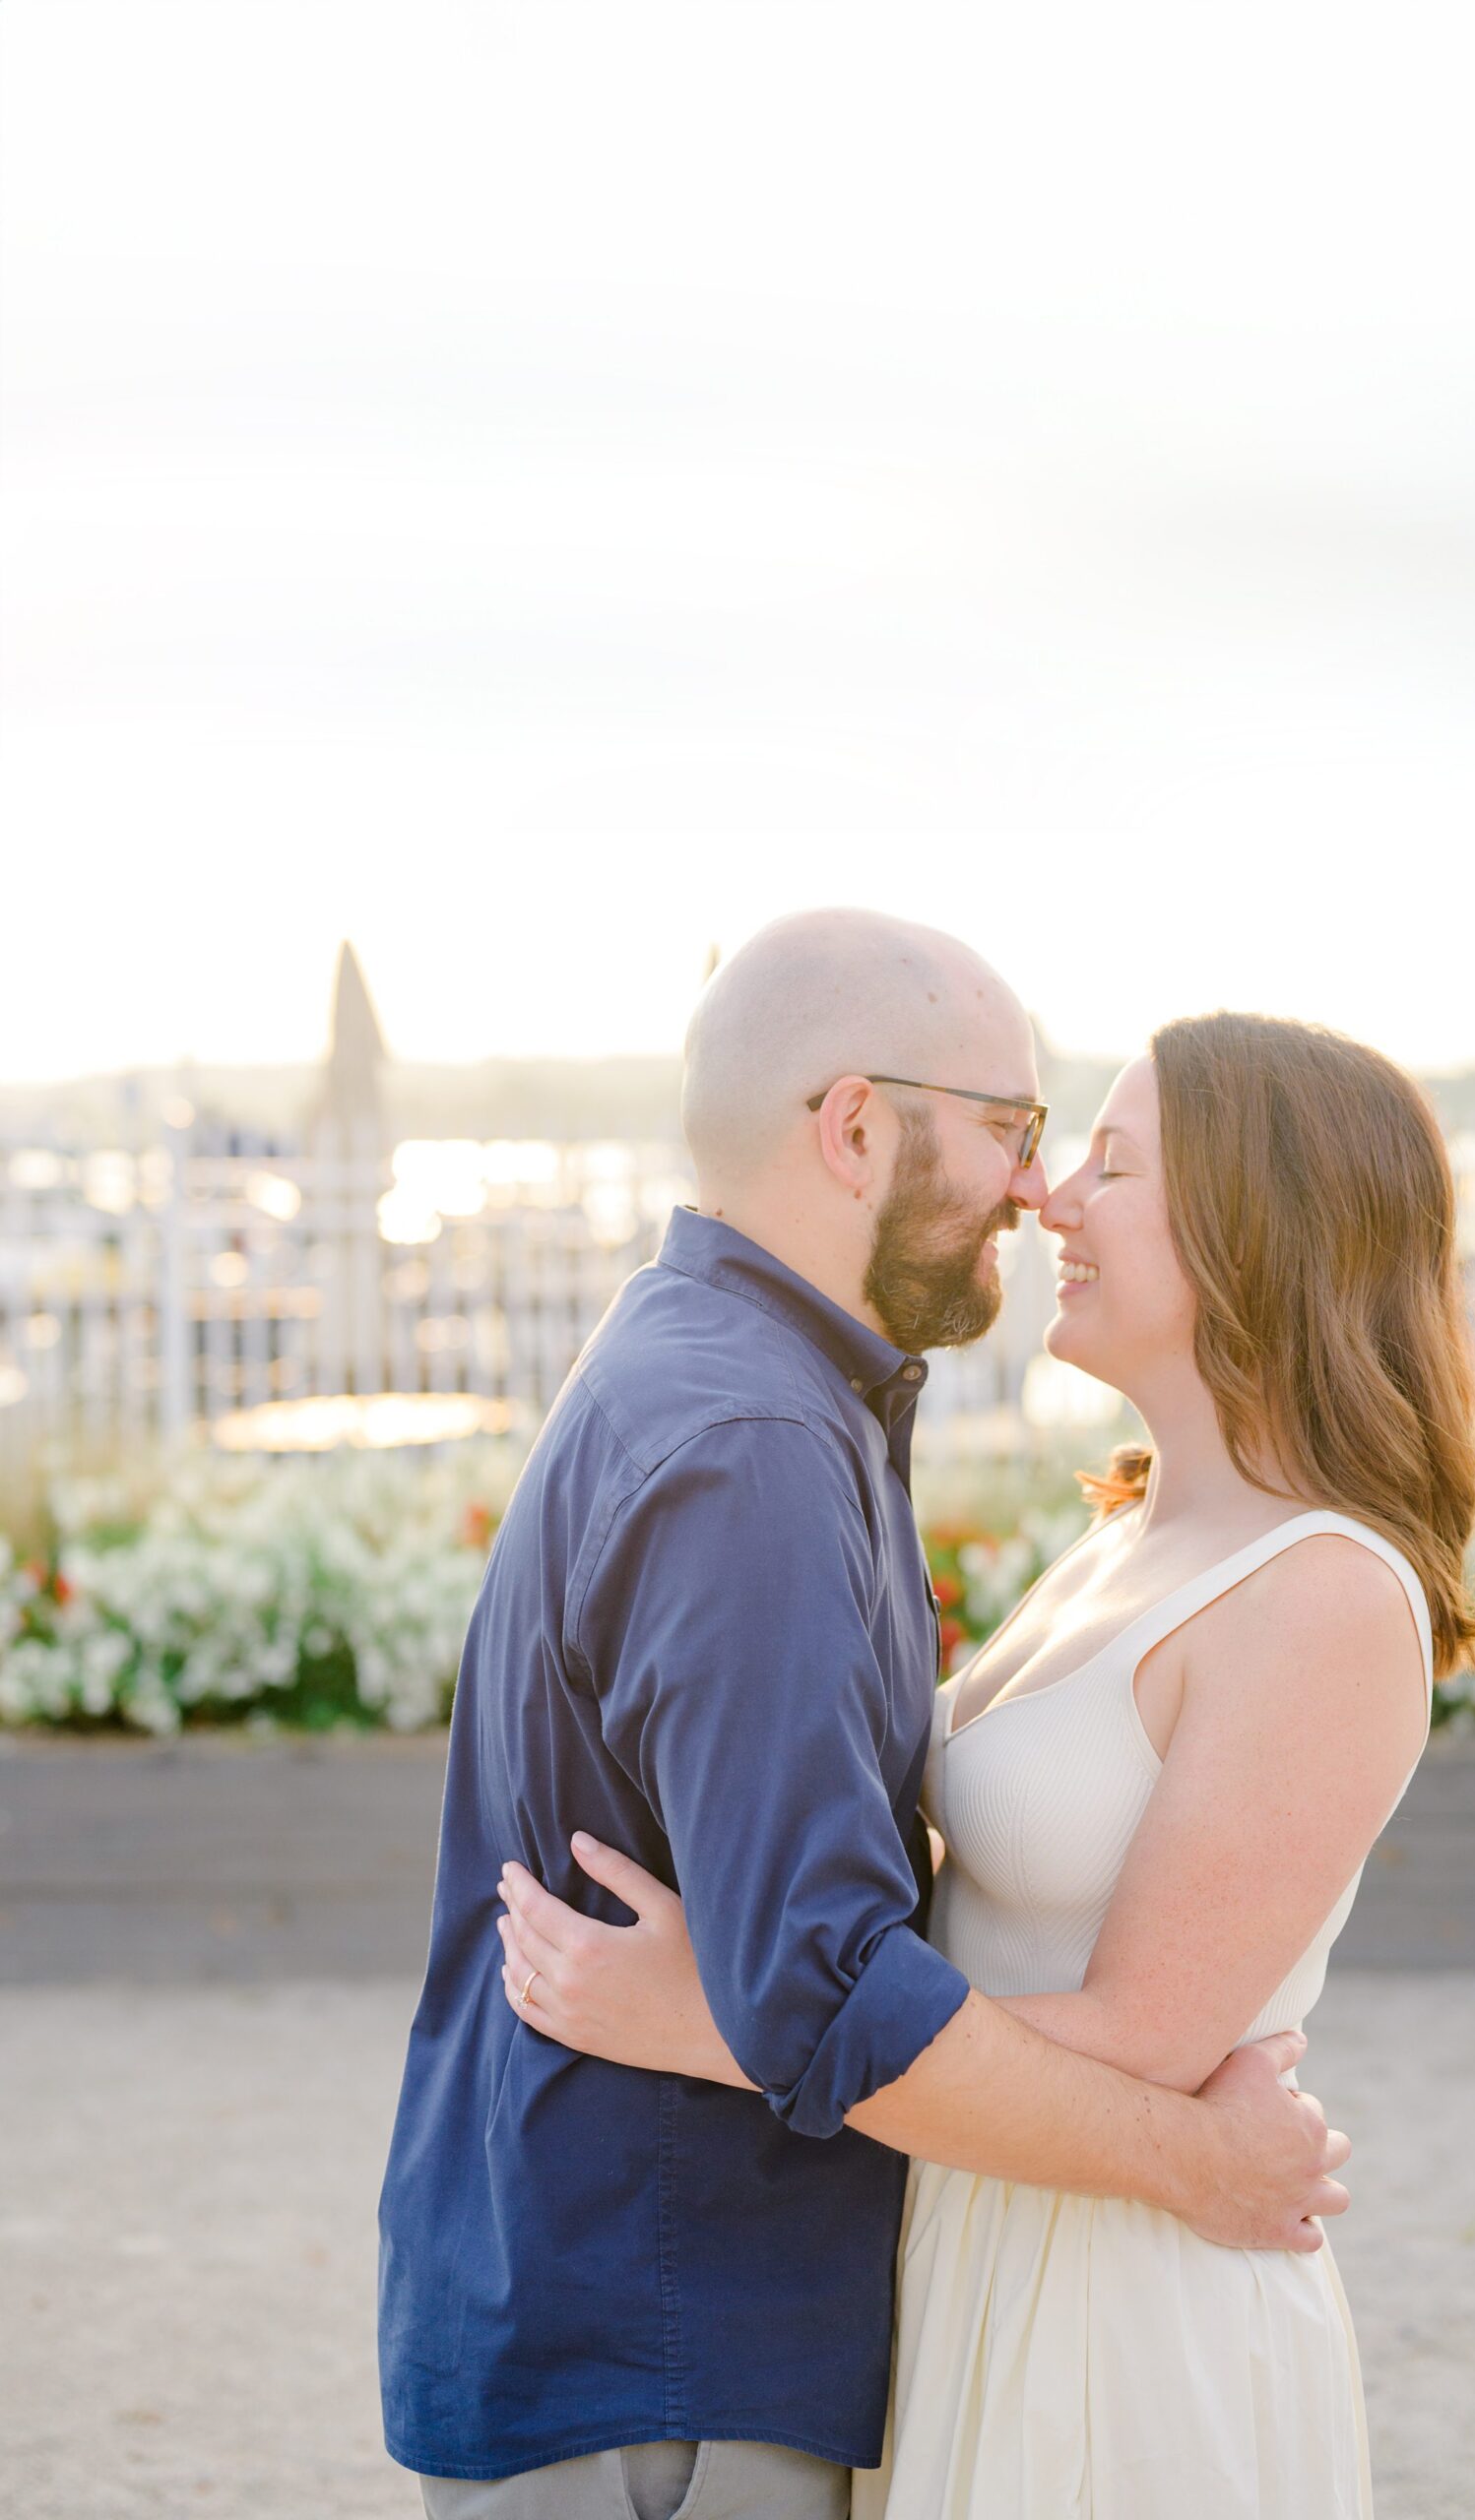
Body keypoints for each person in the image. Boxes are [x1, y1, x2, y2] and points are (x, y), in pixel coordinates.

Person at [378, 914, 1350, 2520]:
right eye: (1011, 1131)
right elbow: (824, 1998)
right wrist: (1204, 2162)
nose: (1035, 1192)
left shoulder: (713, 1367)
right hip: (670, 2362)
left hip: (644, 2329)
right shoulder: (755, 1436)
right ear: (853, 1126)